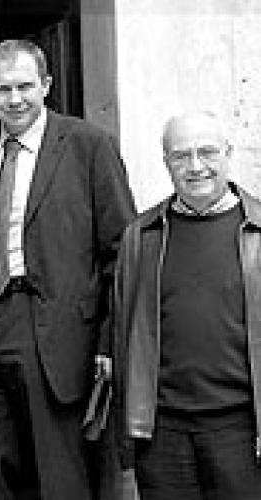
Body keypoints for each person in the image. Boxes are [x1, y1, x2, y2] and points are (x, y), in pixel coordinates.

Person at [0, 39, 136, 500]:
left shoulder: (89, 145)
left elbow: (122, 252)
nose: (15, 99)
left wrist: (108, 341)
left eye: (25, 86)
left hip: (58, 334)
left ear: (47, 85)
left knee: (60, 479)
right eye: (2, 89)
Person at [114, 111, 261, 500]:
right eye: (181, 156)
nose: (195, 166)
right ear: (166, 162)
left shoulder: (258, 231)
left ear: (229, 153)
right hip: (162, 433)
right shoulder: (141, 236)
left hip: (243, 429)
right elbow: (123, 339)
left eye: (207, 152)